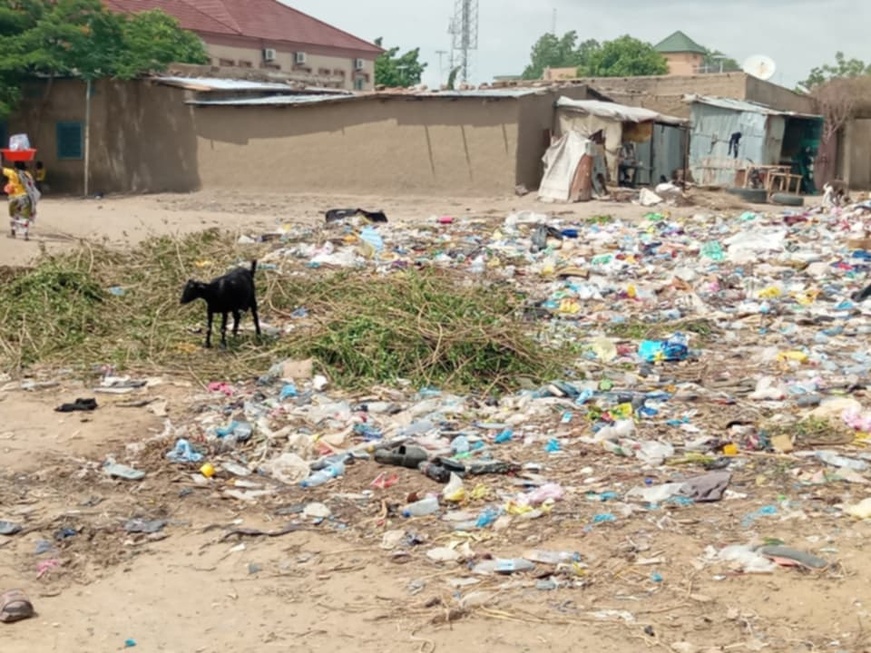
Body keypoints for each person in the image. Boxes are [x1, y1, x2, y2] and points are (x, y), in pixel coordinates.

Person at [2, 160, 40, 240]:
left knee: (14, 215)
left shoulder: (12, 173)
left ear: (15, 166)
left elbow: (1, 169)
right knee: (25, 216)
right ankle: (25, 234)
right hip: (25, 198)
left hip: (14, 198)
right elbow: (31, 185)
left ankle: (13, 232)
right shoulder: (28, 175)